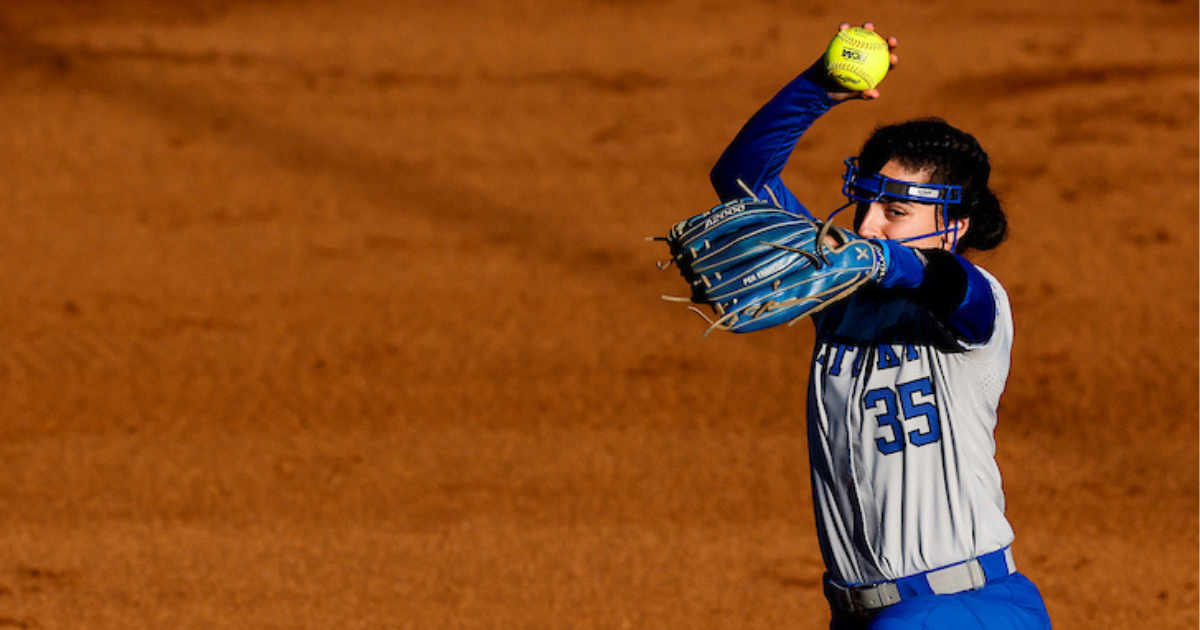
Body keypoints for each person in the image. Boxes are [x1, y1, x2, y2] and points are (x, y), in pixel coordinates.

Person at [707, 22, 1053, 630]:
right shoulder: (840, 293)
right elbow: (740, 180)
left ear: (954, 226)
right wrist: (817, 85)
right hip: (863, 614)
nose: (869, 225)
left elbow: (945, 284)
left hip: (962, 608)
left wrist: (883, 258)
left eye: (896, 211)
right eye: (866, 205)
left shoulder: (977, 308)